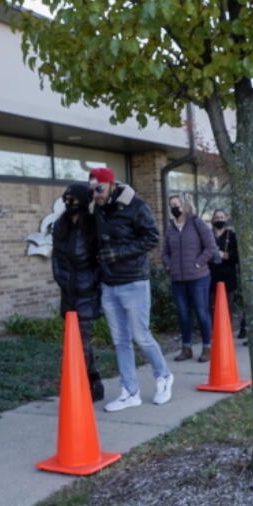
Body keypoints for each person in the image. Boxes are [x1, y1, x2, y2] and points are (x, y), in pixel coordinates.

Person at [89, 167, 173, 411]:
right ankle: (130, 391)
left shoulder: (136, 206)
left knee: (141, 336)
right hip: (109, 284)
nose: (95, 194)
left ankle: (164, 376)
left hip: (134, 281)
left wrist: (119, 254)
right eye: (92, 190)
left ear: (111, 185)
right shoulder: (96, 209)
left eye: (99, 189)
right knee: (120, 340)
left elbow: (152, 237)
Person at [51, 182, 105, 401]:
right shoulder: (60, 225)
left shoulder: (92, 226)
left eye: (73, 199)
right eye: (66, 199)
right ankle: (93, 380)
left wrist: (92, 283)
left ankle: (82, 384)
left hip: (87, 292)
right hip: (68, 292)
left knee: (81, 341)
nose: (68, 203)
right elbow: (56, 257)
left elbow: (99, 259)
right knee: (75, 341)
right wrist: (62, 280)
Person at [162, 194, 217, 363]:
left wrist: (198, 264)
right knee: (183, 314)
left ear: (184, 206)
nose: (174, 208)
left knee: (201, 313)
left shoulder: (197, 223)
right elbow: (165, 252)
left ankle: (207, 347)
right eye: (171, 205)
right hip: (178, 279)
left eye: (177, 205)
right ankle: (186, 348)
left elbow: (211, 247)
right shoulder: (170, 228)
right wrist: (168, 264)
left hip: (198, 277)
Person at [209, 208, 240, 325]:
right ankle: (214, 332)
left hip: (228, 277)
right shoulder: (208, 235)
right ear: (213, 220)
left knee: (227, 307)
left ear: (226, 219)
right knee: (212, 307)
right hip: (211, 276)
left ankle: (227, 332)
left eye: (221, 218)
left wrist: (225, 255)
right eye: (217, 218)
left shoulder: (232, 235)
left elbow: (237, 256)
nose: (219, 220)